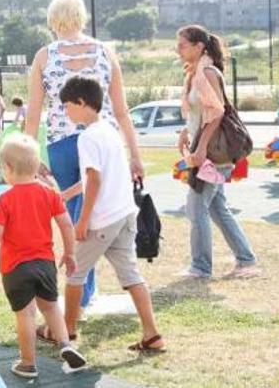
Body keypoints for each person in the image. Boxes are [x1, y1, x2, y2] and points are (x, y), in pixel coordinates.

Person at [25, 0, 145, 309]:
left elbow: (34, 112)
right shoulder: (105, 52)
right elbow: (122, 111)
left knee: (76, 211)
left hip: (63, 142)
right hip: (104, 139)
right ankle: (94, 286)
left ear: (53, 20)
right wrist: (135, 155)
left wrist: (30, 154)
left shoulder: (44, 57)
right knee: (101, 210)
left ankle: (81, 290)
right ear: (82, 17)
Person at [57, 76, 165, 352]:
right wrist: (67, 195)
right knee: (131, 275)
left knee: (74, 273)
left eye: (67, 106)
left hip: (102, 219)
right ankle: (152, 334)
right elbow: (95, 175)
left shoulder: (88, 137)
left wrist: (82, 220)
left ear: (82, 103)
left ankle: (66, 331)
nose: (66, 112)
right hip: (125, 213)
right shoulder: (108, 130)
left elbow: (94, 179)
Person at [0, 134, 87, 379]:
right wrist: (69, 253)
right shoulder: (49, 194)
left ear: (7, 168)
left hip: (16, 268)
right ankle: (66, 345)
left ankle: (28, 363)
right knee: (50, 308)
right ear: (37, 166)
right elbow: (66, 224)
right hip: (45, 264)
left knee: (25, 314)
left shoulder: (4, 199)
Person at [175, 25, 260, 279]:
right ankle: (246, 260)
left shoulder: (208, 72)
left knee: (196, 207)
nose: (178, 50)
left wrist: (201, 149)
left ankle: (201, 267)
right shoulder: (195, 73)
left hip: (213, 153)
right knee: (217, 208)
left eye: (182, 45)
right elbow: (200, 114)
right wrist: (185, 132)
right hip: (207, 150)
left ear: (199, 46)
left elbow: (217, 112)